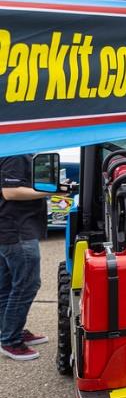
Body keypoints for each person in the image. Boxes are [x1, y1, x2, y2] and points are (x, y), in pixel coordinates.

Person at [0, 154, 50, 361]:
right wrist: (49, 190)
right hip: (17, 230)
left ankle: (10, 331)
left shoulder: (14, 148)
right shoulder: (18, 154)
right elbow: (11, 192)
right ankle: (11, 340)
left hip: (8, 228)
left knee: (7, 285)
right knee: (26, 284)